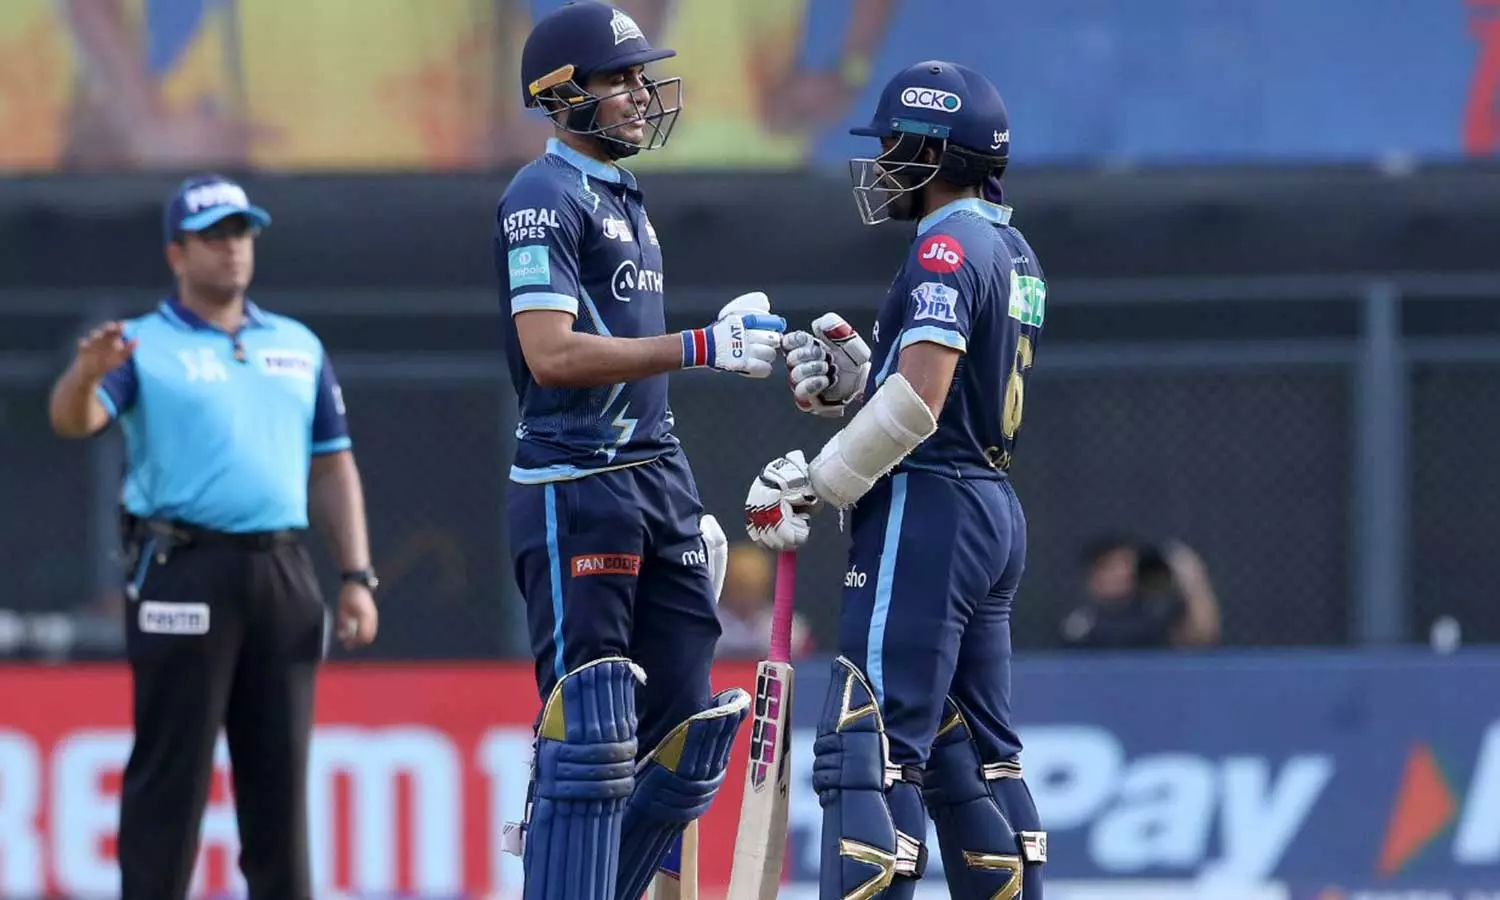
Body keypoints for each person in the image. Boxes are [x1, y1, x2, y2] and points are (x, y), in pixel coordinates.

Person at [494, 4, 784, 898]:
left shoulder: (623, 195)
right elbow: (550, 354)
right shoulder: (540, 196)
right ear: (560, 95)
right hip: (577, 484)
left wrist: (720, 341)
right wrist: (702, 346)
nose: (639, 93)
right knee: (590, 737)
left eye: (638, 76)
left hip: (660, 478)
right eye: (617, 78)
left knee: (687, 736)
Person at [744, 61, 1049, 899]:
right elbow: (937, 388)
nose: (881, 164)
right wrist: (861, 381)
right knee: (980, 757)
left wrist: (816, 481)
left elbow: (919, 402)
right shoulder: (1013, 248)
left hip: (927, 507)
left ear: (934, 152)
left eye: (893, 146)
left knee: (868, 750)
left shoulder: (945, 246)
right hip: (989, 506)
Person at [46, 173, 379, 900]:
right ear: (177, 252)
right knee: (172, 777)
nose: (232, 248)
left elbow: (333, 465)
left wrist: (356, 575)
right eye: (214, 235)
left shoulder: (297, 345)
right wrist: (84, 374)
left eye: (241, 232)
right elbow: (76, 420)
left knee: (279, 783)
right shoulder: (141, 343)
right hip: (183, 567)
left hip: (282, 571)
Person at [1059, 535, 1222, 649]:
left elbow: (1201, 638)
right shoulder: (1082, 623)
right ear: (1094, 575)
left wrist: (1193, 580)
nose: (1123, 573)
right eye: (1112, 567)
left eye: (1128, 565)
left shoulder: (1154, 614)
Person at [713, 541, 814, 659]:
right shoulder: (705, 625)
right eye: (739, 583)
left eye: (753, 583)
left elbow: (806, 666)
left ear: (766, 584)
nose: (746, 593)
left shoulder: (791, 629)